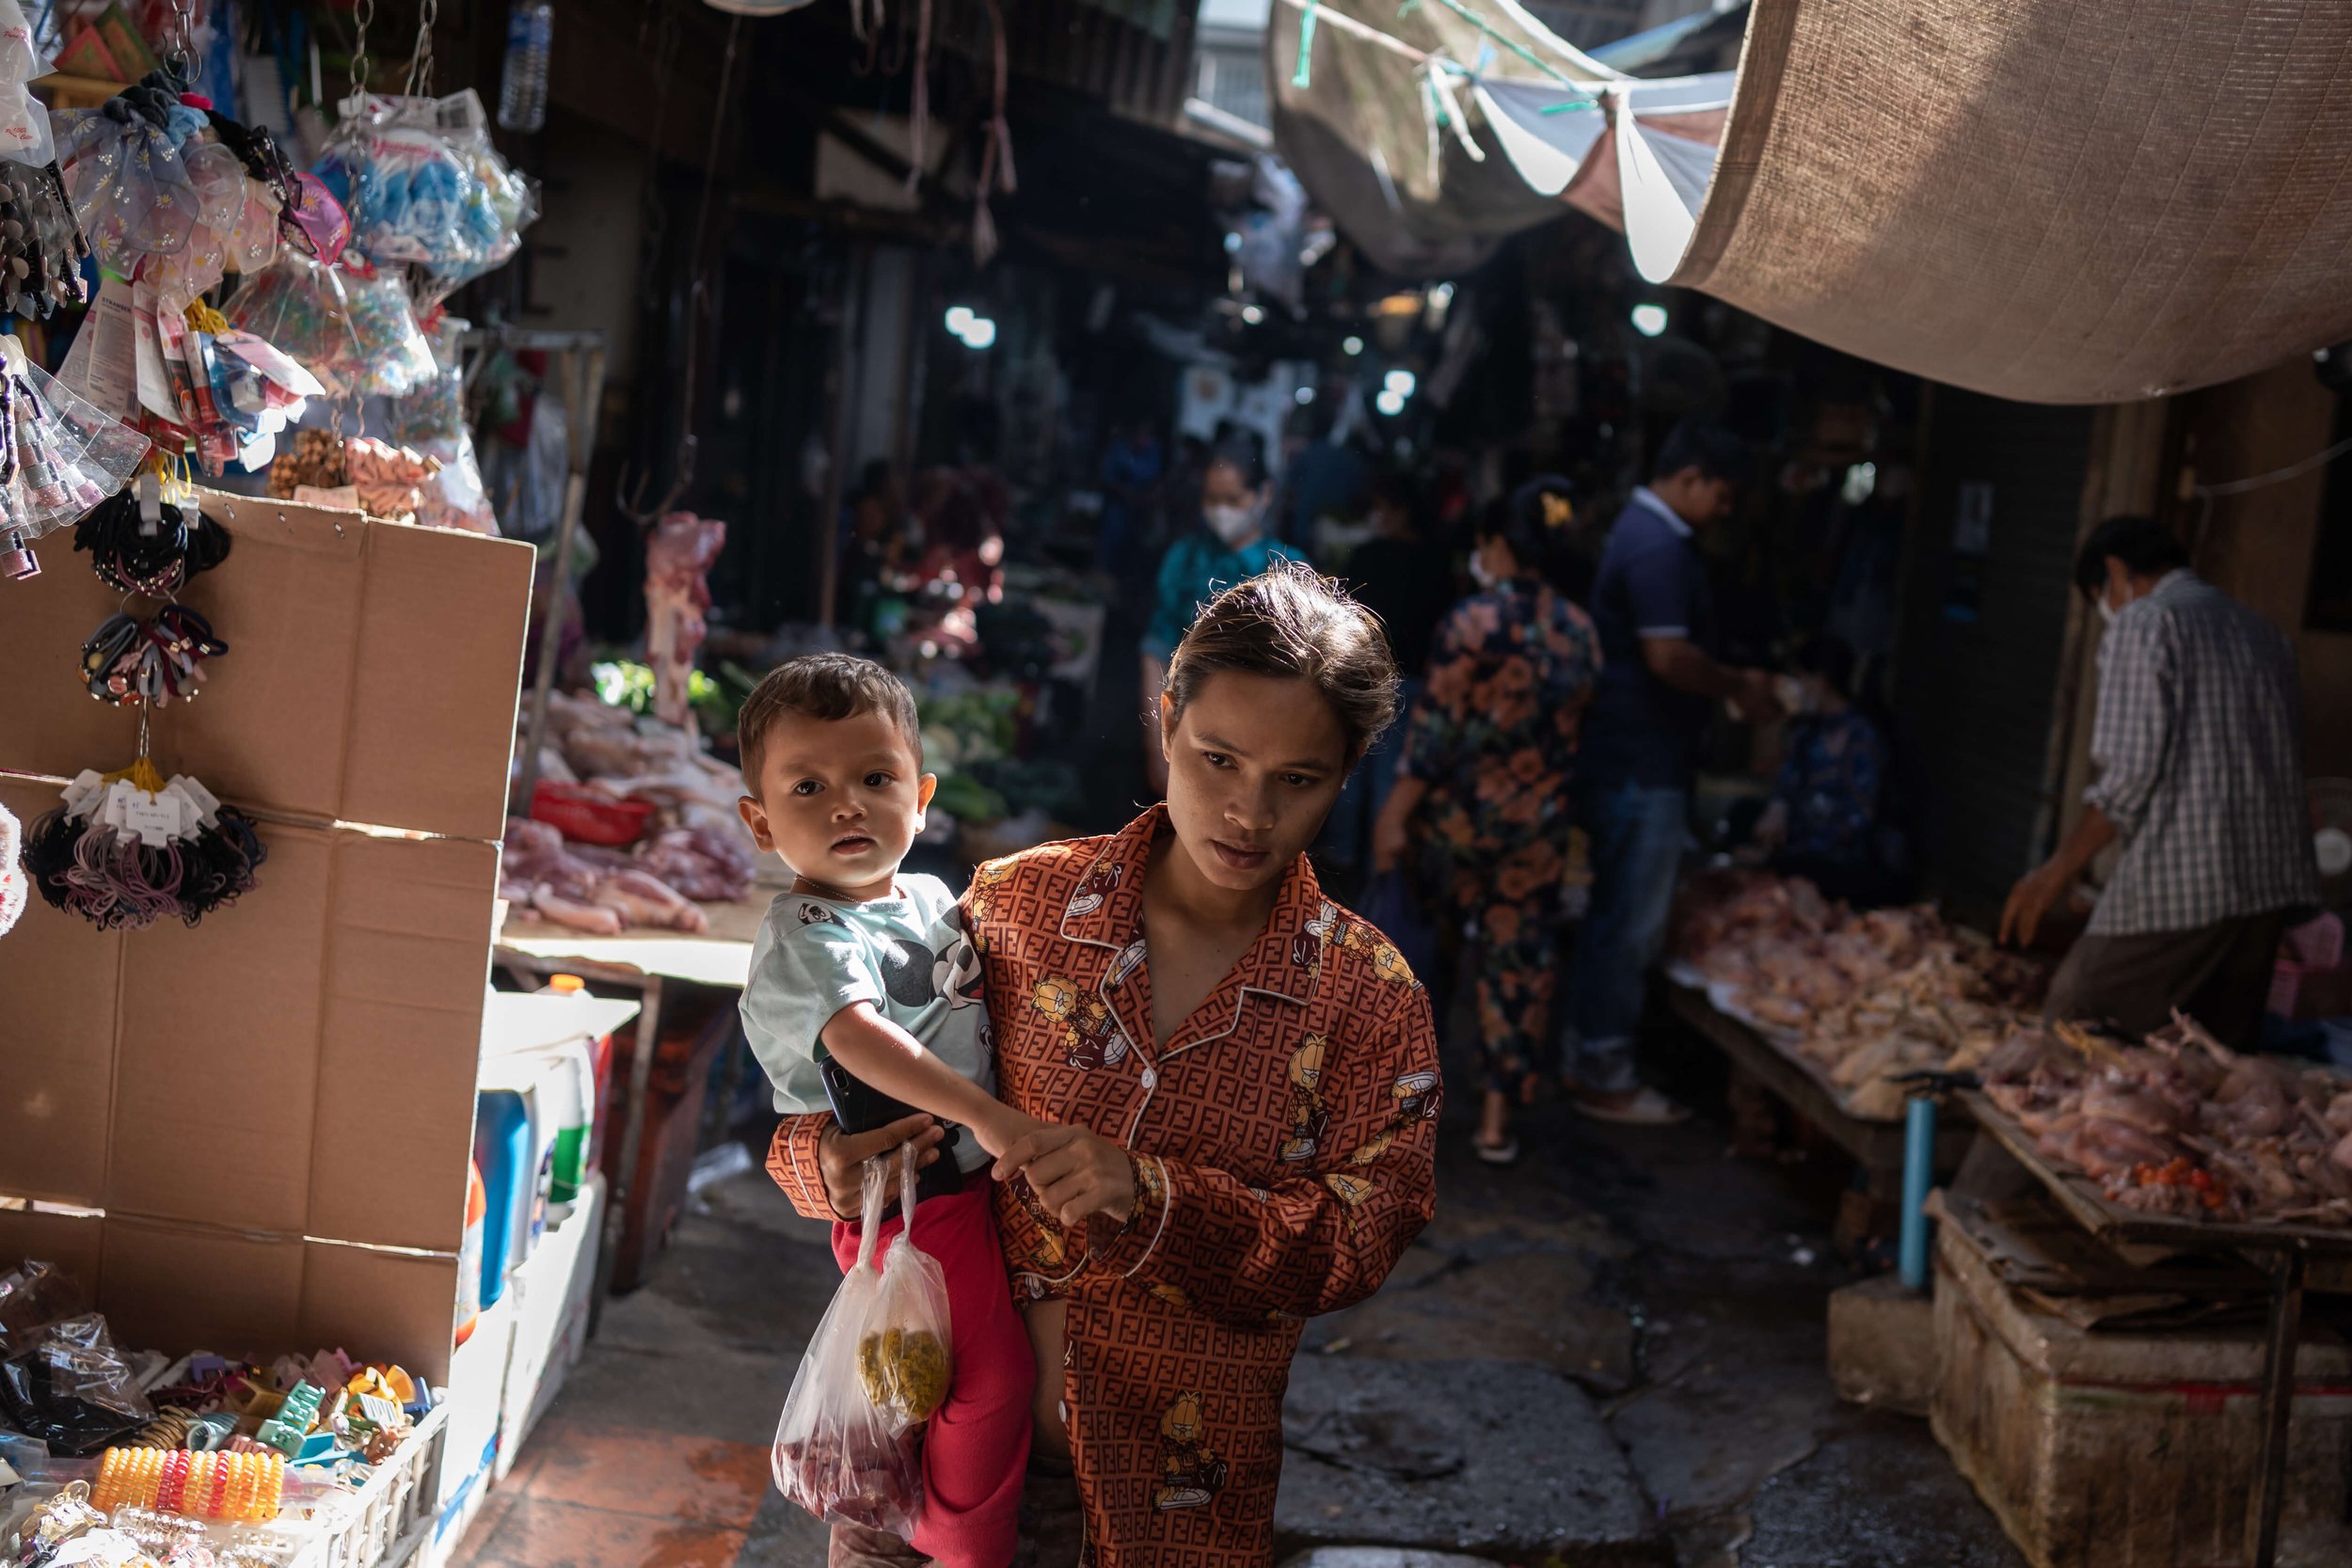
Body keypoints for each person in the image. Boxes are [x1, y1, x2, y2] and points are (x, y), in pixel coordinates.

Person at [770, 563, 1440, 1568]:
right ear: (1165, 720)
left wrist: (1158, 1196)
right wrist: (822, 1163)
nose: (1248, 811)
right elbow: (835, 1086)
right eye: (1217, 758)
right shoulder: (1013, 910)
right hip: (910, 1481)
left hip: (1168, 1512)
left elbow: (1362, 1234)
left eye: (1296, 779)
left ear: (1348, 771)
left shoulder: (1367, 998)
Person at [732, 655, 1039, 1568]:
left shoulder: (932, 899)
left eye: (875, 778)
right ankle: (958, 1540)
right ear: (759, 821)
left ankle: (918, 1519)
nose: (846, 805)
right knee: (990, 1378)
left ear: (922, 792)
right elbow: (858, 1037)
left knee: (918, 1381)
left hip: (953, 1187)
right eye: (809, 785)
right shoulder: (806, 931)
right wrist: (990, 1116)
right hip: (913, 1193)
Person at [1999, 515, 2318, 1048]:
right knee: (2210, 1067)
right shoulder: (2265, 635)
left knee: (2070, 1031)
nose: (2108, 613)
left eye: (2101, 597)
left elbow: (2128, 776)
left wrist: (2054, 872)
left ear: (2116, 572)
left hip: (2187, 886)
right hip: (2267, 894)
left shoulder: (2146, 623)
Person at [1372, 477, 1600, 1164]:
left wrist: (1394, 815)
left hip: (1459, 824)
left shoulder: (1473, 622)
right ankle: (1496, 1121)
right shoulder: (1580, 633)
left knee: (1423, 960)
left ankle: (1404, 1106)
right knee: (1516, 966)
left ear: (1499, 544)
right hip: (1537, 829)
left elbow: (1434, 737)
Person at [1568, 421, 1781, 1124]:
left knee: (1616, 916)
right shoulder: (1656, 544)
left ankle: (1591, 1053)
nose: (1726, 509)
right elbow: (1668, 656)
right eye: (1722, 493)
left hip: (1632, 756)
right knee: (1630, 920)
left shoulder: (1642, 532)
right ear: (1690, 477)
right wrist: (1738, 687)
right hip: (1640, 762)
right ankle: (1604, 1068)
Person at [1141, 438, 1307, 794]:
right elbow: (1156, 649)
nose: (1221, 511)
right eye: (1211, 500)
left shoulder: (1288, 569)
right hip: (1187, 725)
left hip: (1263, 742)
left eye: (1233, 501)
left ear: (1264, 494)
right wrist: (1157, 745)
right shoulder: (1184, 558)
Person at [1319, 473, 1456, 869]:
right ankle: (1380, 867)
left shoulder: (1370, 556)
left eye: (1380, 507)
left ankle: (1341, 864)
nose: (1374, 516)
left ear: (1400, 511)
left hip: (1367, 678)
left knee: (1352, 771)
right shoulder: (1437, 562)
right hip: (1412, 681)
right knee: (1387, 776)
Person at [1752, 637, 1898, 908]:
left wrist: (1796, 848)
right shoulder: (1807, 732)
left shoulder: (1861, 739)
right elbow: (1786, 784)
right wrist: (1777, 809)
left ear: (1819, 681)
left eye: (1799, 679)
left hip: (1845, 860)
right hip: (1801, 844)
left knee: (1788, 867)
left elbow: (1858, 821)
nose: (1795, 689)